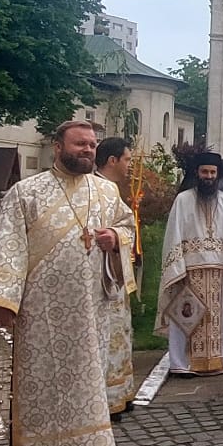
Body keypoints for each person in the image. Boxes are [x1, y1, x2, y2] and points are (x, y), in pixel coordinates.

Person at [0, 120, 135, 446]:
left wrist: (114, 237)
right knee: (43, 383)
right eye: (80, 144)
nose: (88, 150)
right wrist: (1, 300)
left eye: (92, 145)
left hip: (92, 311)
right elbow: (7, 248)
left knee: (88, 382)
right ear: (58, 147)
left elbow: (127, 226)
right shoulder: (26, 193)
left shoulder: (106, 193)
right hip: (41, 312)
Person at [156, 152, 223, 376]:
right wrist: (177, 268)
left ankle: (216, 360)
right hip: (189, 270)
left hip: (218, 270)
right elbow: (174, 233)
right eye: (205, 172)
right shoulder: (183, 200)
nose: (209, 176)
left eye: (213, 172)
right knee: (185, 315)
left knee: (216, 318)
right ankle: (181, 363)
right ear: (197, 173)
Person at [91, 136, 140, 416]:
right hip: (97, 278)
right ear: (113, 161)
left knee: (118, 331)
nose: (130, 165)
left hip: (113, 273)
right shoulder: (92, 189)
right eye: (128, 160)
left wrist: (116, 236)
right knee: (104, 335)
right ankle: (104, 397)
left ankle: (119, 391)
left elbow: (126, 226)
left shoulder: (111, 189)